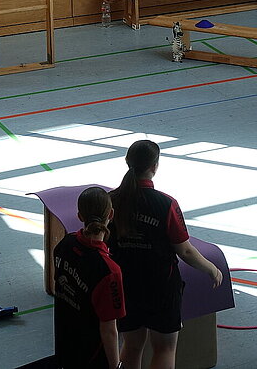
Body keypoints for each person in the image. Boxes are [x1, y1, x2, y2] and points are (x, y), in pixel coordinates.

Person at [109, 140, 223, 369]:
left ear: (128, 162)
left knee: (131, 345)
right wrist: (211, 268)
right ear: (155, 166)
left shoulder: (111, 200)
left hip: (126, 283)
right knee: (165, 348)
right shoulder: (166, 203)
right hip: (161, 286)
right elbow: (185, 250)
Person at [53, 186, 125, 369]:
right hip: (92, 355)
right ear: (111, 214)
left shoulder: (64, 244)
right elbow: (109, 330)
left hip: (65, 345)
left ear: (79, 216)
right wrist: (116, 366)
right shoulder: (109, 271)